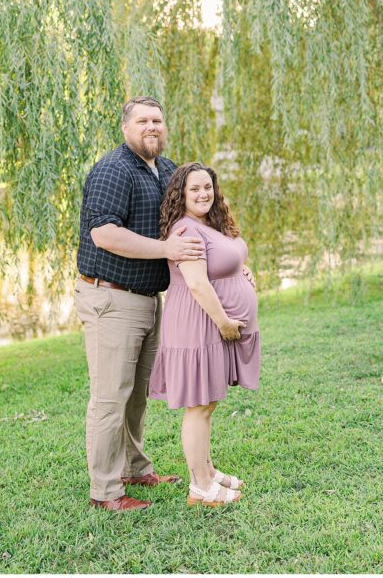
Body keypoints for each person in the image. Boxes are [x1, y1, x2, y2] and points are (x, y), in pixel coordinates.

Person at [75, 97, 206, 512]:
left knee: (137, 395)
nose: (153, 127)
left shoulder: (165, 170)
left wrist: (235, 264)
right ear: (126, 127)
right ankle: (106, 492)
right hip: (111, 297)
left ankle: (134, 467)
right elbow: (105, 235)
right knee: (111, 396)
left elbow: (199, 212)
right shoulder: (114, 170)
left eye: (158, 120)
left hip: (149, 299)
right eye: (143, 120)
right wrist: (166, 247)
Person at [149, 161, 261, 507]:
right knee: (198, 406)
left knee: (208, 403)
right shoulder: (186, 231)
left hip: (208, 323)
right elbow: (197, 283)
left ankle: (208, 473)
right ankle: (200, 488)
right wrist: (225, 323)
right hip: (199, 323)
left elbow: (219, 262)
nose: (203, 194)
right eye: (194, 188)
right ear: (181, 194)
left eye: (208, 187)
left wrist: (240, 269)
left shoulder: (206, 224)